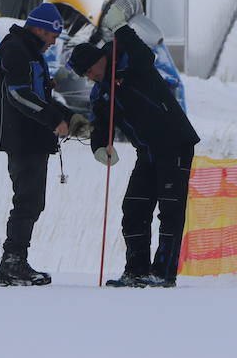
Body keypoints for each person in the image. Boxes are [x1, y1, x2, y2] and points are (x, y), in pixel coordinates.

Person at [68, 23, 200, 288]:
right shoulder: (102, 93)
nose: (89, 77)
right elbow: (101, 124)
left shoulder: (131, 62)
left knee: (170, 210)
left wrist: (120, 27)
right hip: (147, 152)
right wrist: (99, 146)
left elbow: (144, 54)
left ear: (99, 60)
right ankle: (137, 271)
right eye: (85, 75)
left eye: (89, 71)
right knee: (133, 208)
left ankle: (163, 273)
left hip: (174, 143)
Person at [0, 2, 75, 286]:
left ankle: (15, 262)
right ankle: (12, 264)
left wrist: (55, 103)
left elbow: (32, 91)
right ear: (39, 29)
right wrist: (53, 119)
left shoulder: (29, 51)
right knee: (27, 201)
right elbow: (18, 95)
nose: (53, 41)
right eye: (52, 35)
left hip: (32, 138)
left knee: (33, 202)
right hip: (22, 139)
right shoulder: (16, 49)